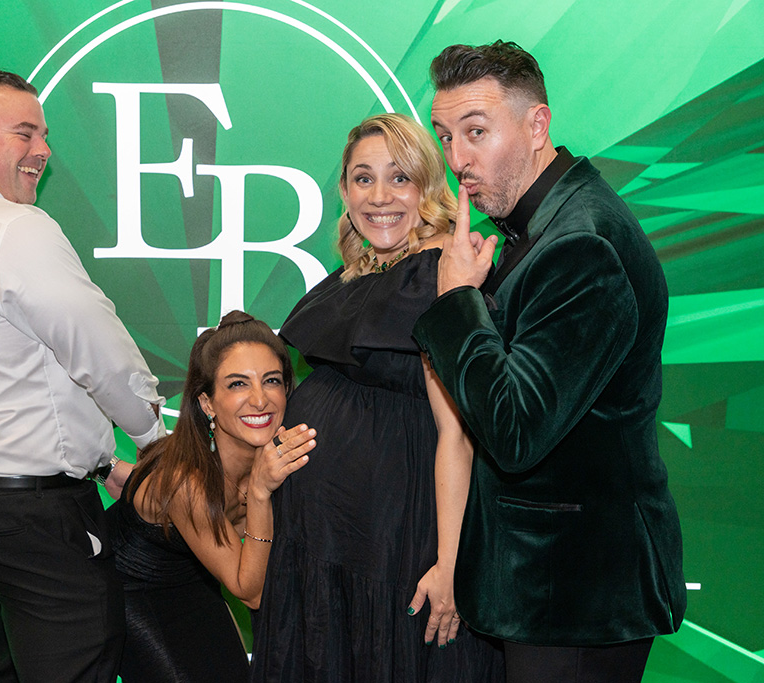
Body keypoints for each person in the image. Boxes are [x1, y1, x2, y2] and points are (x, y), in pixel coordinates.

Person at [414, 41, 686, 682]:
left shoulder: (581, 243)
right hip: (559, 590)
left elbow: (514, 430)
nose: (458, 161)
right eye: (446, 137)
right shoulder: (551, 225)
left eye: (476, 132)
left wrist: (457, 302)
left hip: (577, 596)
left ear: (538, 125)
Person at [0, 70, 165, 682]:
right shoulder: (13, 229)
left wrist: (102, 463)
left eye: (44, 135)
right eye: (24, 133)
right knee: (73, 659)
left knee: (9, 666)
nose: (43, 150)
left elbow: (12, 381)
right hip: (31, 517)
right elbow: (99, 350)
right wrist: (155, 441)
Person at [251, 114, 505, 682]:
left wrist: (450, 563)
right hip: (328, 546)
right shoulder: (364, 269)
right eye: (363, 179)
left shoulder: (439, 271)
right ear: (344, 191)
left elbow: (458, 433)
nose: (380, 197)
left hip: (396, 543)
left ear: (428, 186)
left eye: (399, 178)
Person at [109, 311, 316, 682]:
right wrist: (259, 493)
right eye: (238, 384)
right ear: (207, 403)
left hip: (197, 582)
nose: (259, 399)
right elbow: (250, 592)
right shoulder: (184, 480)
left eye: (271, 380)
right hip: (129, 592)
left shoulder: (275, 459)